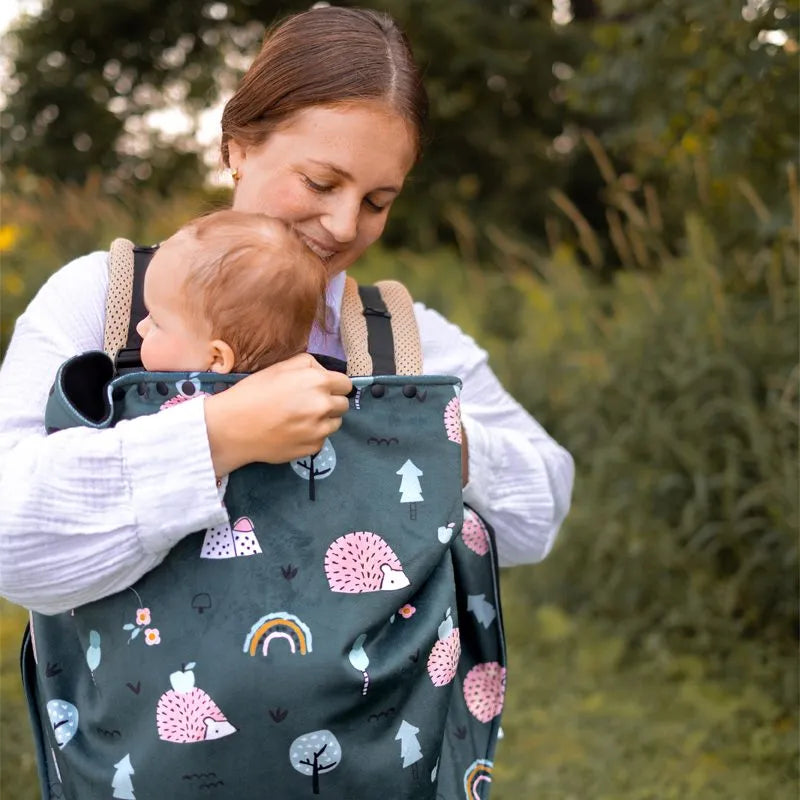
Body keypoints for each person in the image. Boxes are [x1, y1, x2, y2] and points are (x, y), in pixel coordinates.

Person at [0, 6, 573, 625]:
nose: (345, 226)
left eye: (377, 202)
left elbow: (538, 517)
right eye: (321, 183)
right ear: (238, 147)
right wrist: (217, 436)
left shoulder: (403, 340)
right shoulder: (108, 300)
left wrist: (424, 431)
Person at [132, 209, 329, 374]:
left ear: (217, 358)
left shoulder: (167, 401)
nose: (140, 327)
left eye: (157, 322)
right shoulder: (305, 397)